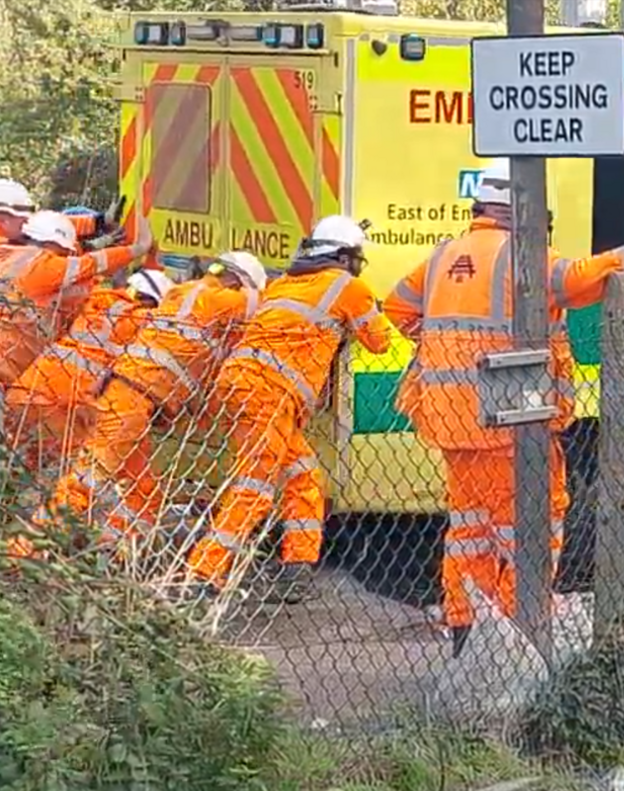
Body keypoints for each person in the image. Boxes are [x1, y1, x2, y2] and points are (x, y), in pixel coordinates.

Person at [384, 158, 624, 655]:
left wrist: (443, 348)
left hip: (452, 421)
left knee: (468, 531)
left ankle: (466, 631)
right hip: (510, 421)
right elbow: (575, 279)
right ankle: (519, 635)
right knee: (530, 529)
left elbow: (396, 308)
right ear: (526, 211)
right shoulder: (521, 254)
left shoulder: (441, 255)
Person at [181, 218, 394, 602]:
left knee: (304, 478)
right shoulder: (349, 287)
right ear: (345, 257)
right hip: (269, 394)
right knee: (254, 489)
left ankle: (296, 567)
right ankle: (203, 574)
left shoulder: (282, 284)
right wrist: (369, 311)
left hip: (242, 384)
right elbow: (379, 342)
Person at [49, 252, 267, 549]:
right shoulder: (224, 301)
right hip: (131, 398)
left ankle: (114, 551)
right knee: (86, 482)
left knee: (144, 490)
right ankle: (28, 551)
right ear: (237, 281)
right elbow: (265, 306)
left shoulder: (181, 292)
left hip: (131, 396)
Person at [4, 266, 166, 474]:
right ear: (150, 301)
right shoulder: (142, 320)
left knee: (16, 467)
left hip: (27, 386)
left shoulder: (93, 301)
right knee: (61, 473)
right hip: (69, 402)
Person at [0, 211, 152, 388]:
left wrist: (98, 227)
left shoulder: (10, 256)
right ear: (57, 243)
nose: (69, 255)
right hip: (8, 365)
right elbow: (92, 263)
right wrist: (136, 249)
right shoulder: (45, 268)